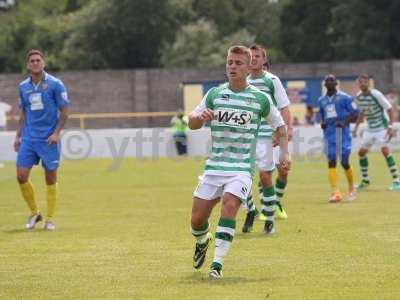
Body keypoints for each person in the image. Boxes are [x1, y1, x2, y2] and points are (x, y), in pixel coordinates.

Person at [188, 45, 290, 279]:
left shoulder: (260, 98)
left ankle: (217, 265)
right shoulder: (215, 94)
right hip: (214, 168)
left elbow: (280, 125)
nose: (232, 67)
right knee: (196, 221)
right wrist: (199, 118)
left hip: (241, 169)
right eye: (230, 62)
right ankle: (203, 240)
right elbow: (191, 121)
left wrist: (285, 153)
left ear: (248, 67)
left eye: (238, 63)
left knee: (231, 204)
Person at [15, 49, 70, 230]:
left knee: (50, 178)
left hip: (48, 139)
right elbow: (23, 112)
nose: (36, 63)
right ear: (27, 65)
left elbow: (64, 111)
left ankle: (50, 219)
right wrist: (18, 135)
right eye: (32, 61)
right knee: (21, 176)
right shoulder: (23, 87)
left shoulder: (55, 84)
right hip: (29, 139)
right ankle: (34, 213)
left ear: (43, 63)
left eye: (38, 60)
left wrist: (56, 133)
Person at [242, 44, 292, 234]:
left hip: (265, 136)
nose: (253, 59)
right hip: (246, 137)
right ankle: (251, 210)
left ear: (264, 60)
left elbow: (284, 108)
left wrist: (281, 134)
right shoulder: (243, 82)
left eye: (257, 56)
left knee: (265, 176)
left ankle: (269, 220)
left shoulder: (272, 80)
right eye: (250, 56)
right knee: (241, 177)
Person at [352, 74, 400, 191]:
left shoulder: (376, 94)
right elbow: (362, 112)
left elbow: (389, 109)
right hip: (370, 128)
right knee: (361, 153)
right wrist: (356, 127)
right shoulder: (358, 97)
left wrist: (390, 126)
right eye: (360, 82)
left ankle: (397, 181)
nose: (362, 84)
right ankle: (365, 180)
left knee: (384, 150)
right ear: (358, 84)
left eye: (364, 82)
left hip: (382, 126)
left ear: (368, 83)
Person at [318, 74, 359, 202]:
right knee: (331, 161)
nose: (329, 82)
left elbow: (355, 113)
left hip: (343, 133)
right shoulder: (321, 100)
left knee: (344, 162)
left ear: (336, 83)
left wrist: (345, 122)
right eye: (327, 80)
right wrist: (323, 123)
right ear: (324, 84)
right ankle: (335, 193)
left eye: (332, 80)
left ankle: (351, 187)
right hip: (329, 134)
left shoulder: (345, 98)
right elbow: (323, 115)